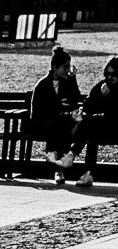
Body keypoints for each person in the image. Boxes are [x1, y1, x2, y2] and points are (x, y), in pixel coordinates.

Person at [27, 44, 82, 185]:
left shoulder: (66, 82)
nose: (68, 70)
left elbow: (76, 100)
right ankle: (59, 168)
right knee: (61, 124)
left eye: (69, 67)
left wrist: (73, 79)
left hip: (59, 123)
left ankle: (57, 164)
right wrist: (62, 108)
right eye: (65, 67)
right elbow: (45, 109)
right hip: (42, 124)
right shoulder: (43, 84)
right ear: (55, 67)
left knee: (63, 124)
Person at [69, 54, 118, 190]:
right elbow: (88, 106)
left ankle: (73, 154)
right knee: (92, 129)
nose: (109, 77)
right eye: (107, 74)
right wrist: (101, 97)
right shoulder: (102, 86)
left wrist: (110, 97)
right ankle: (88, 173)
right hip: (106, 128)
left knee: (92, 124)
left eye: (113, 74)